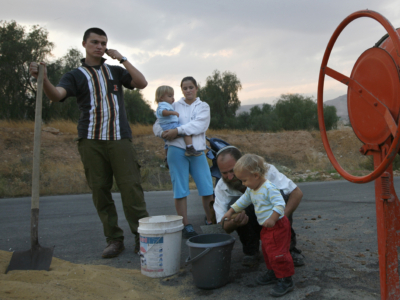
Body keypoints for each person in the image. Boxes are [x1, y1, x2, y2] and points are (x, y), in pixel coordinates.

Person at [29, 27, 149, 258]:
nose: (100, 46)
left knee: (131, 190)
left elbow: (141, 83)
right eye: (95, 42)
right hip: (90, 140)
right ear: (84, 44)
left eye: (103, 43)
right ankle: (114, 239)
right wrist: (43, 80)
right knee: (100, 191)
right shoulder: (75, 75)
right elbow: (57, 95)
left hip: (119, 138)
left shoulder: (115, 71)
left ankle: (141, 237)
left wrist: (123, 59)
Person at [213, 146, 304, 267]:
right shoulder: (221, 187)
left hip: (274, 219)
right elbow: (222, 226)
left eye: (232, 171)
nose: (229, 177)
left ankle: (288, 249)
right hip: (251, 222)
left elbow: (296, 193)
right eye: (224, 173)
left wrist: (281, 219)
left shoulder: (266, 171)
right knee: (235, 204)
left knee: (280, 195)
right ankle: (251, 251)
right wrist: (234, 221)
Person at [222, 154, 294, 297]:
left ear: (256, 175)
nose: (243, 184)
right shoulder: (252, 189)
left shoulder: (269, 188)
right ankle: (274, 272)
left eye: (244, 180)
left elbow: (280, 204)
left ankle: (286, 280)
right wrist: (231, 211)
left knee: (278, 252)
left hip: (277, 226)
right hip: (267, 227)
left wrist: (273, 218)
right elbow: (244, 200)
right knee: (268, 251)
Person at [153, 77, 214, 239]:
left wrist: (177, 131)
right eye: (185, 88)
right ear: (181, 90)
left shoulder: (203, 106)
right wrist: (164, 133)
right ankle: (185, 225)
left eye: (191, 87)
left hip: (197, 151)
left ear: (196, 88)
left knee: (207, 188)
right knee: (180, 190)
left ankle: (210, 221)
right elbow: (157, 125)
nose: (188, 91)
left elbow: (200, 126)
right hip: (176, 150)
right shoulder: (174, 105)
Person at [155, 85, 202, 161]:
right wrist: (173, 113)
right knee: (186, 132)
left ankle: (167, 157)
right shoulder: (164, 105)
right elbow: (162, 112)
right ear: (161, 98)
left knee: (167, 143)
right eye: (170, 96)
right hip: (170, 125)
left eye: (173, 96)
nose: (173, 98)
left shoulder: (167, 105)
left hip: (167, 126)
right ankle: (190, 148)